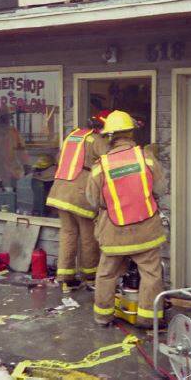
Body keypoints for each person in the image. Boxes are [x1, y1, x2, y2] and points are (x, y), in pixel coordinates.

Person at [86, 110, 166, 328]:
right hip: (146, 230)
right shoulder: (147, 158)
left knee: (106, 274)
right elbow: (160, 188)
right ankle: (147, 320)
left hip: (114, 233)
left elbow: (93, 201)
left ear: (110, 136)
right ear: (131, 133)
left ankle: (103, 317)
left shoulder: (100, 166)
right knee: (151, 274)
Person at [46, 111, 109, 293]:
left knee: (68, 234)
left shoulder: (73, 136)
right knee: (88, 237)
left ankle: (66, 278)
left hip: (60, 191)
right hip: (80, 194)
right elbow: (110, 160)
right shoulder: (97, 140)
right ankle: (90, 277)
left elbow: (59, 159)